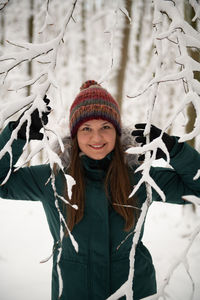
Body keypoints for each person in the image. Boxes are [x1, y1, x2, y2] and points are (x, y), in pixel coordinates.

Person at [0, 80, 200, 300]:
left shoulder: (139, 176)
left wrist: (175, 151)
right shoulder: (52, 178)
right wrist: (15, 136)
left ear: (117, 131)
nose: (97, 138)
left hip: (135, 291)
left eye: (105, 127)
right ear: (74, 135)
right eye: (86, 128)